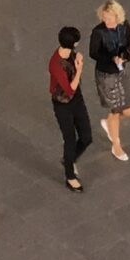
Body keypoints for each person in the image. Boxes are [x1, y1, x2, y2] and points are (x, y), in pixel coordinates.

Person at [88, 0, 130, 161]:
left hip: (120, 72)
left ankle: (109, 124)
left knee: (128, 111)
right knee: (115, 110)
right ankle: (116, 145)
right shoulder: (98, 32)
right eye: (104, 17)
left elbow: (129, 46)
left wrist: (124, 57)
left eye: (109, 17)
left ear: (117, 16)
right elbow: (93, 53)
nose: (106, 21)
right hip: (106, 75)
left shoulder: (124, 26)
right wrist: (110, 58)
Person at [49, 26, 92, 190]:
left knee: (86, 137)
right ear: (73, 43)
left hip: (77, 100)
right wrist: (80, 68)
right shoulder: (56, 64)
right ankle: (70, 176)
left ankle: (70, 158)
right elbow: (69, 89)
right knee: (70, 139)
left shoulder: (70, 54)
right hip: (62, 104)